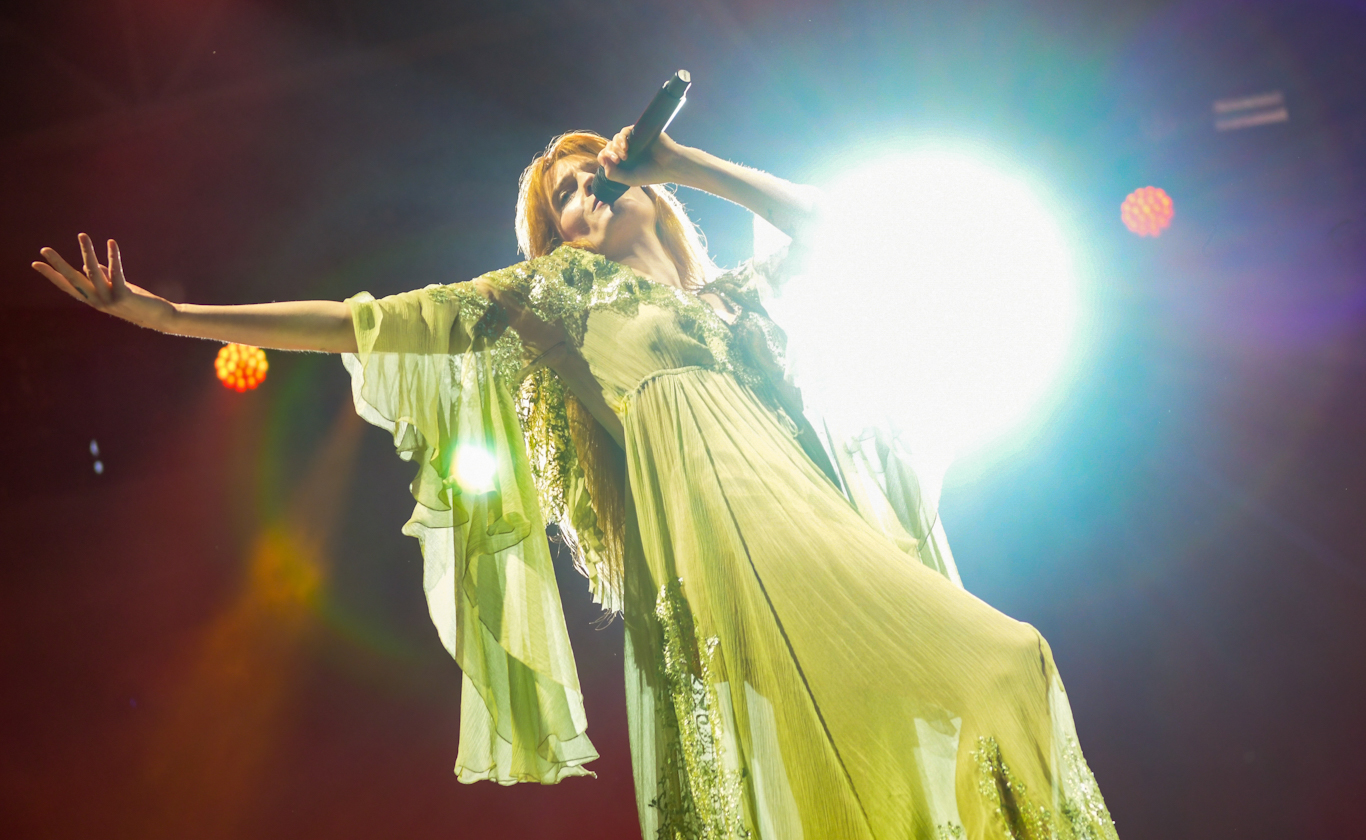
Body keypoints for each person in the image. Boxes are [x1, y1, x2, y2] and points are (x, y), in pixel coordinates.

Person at [32, 126, 1119, 840]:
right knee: (996, 661)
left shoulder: (737, 301)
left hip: (806, 517)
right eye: (564, 196)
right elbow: (366, 321)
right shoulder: (549, 292)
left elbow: (832, 225)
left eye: (601, 175)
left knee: (989, 677)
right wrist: (174, 317)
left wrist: (683, 159)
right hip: (713, 535)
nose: (588, 195)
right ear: (550, 234)